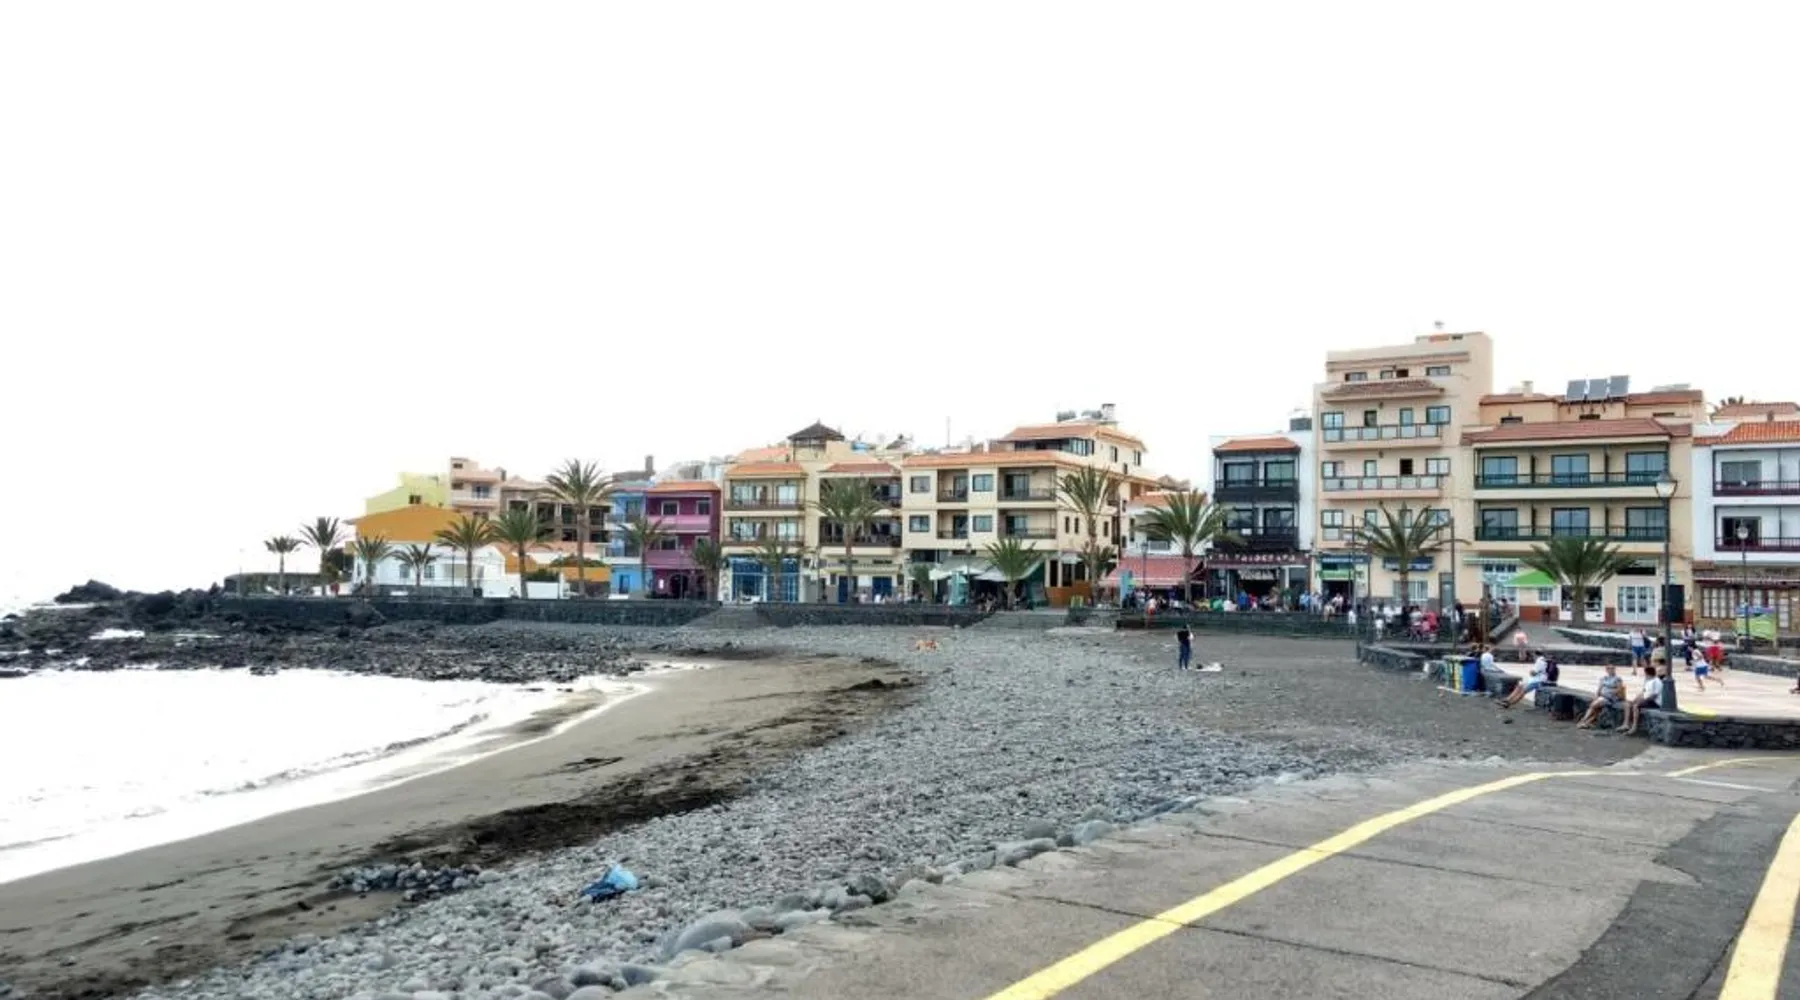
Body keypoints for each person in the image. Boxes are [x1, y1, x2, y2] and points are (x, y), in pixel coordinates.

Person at [1577, 664, 1627, 729]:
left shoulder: (1617, 679)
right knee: (1595, 707)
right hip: (1603, 696)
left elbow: (1619, 689)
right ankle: (1587, 721)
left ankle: (1583, 720)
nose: (1611, 670)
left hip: (1610, 698)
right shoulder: (1604, 678)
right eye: (1609, 668)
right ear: (1606, 670)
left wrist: (1609, 692)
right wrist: (1596, 696)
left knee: (1594, 705)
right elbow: (1599, 688)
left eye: (1612, 668)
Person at [1620, 666, 1665, 735]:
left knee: (1636, 706)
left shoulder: (1657, 682)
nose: (1644, 675)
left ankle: (1634, 727)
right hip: (1647, 700)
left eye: (1645, 673)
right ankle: (1626, 724)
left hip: (1655, 702)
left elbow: (1654, 696)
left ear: (1647, 673)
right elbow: (1642, 693)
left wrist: (1642, 701)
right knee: (1627, 704)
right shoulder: (1648, 681)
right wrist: (1634, 700)